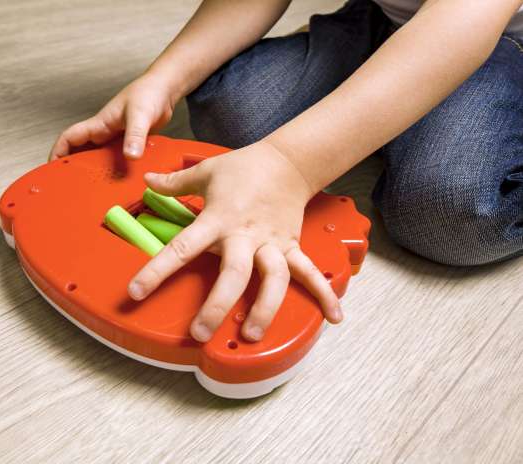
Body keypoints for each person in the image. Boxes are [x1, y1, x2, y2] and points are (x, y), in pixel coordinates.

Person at [50, 0, 523, 343]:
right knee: (228, 115)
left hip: (491, 33)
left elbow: (466, 17)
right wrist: (163, 78)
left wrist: (290, 165)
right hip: (383, 18)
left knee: (448, 212)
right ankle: (382, 110)